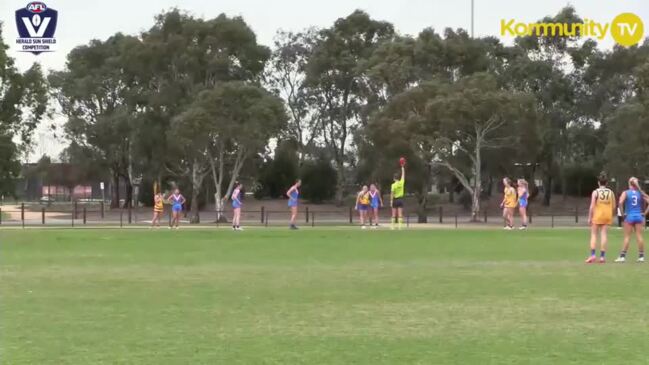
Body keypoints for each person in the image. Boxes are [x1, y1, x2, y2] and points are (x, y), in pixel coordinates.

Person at [615, 177, 649, 263]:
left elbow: (620, 203)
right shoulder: (640, 193)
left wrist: (623, 215)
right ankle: (641, 257)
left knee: (627, 237)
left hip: (629, 216)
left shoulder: (626, 193)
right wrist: (644, 213)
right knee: (639, 236)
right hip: (638, 216)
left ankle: (622, 256)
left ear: (629, 183)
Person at [585, 173, 615, 263]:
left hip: (597, 216)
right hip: (607, 216)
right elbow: (614, 206)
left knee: (594, 235)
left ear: (598, 183)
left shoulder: (596, 192)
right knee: (604, 235)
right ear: (606, 183)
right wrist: (610, 214)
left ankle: (593, 255)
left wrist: (590, 217)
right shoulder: (611, 192)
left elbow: (592, 206)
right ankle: (602, 256)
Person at [390, 165, 406, 230]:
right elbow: (403, 175)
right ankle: (400, 227)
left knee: (393, 214)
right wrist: (402, 168)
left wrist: (391, 201)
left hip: (395, 199)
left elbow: (392, 193)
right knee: (400, 214)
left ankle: (393, 226)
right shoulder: (401, 183)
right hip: (400, 199)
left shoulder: (393, 185)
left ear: (394, 178)